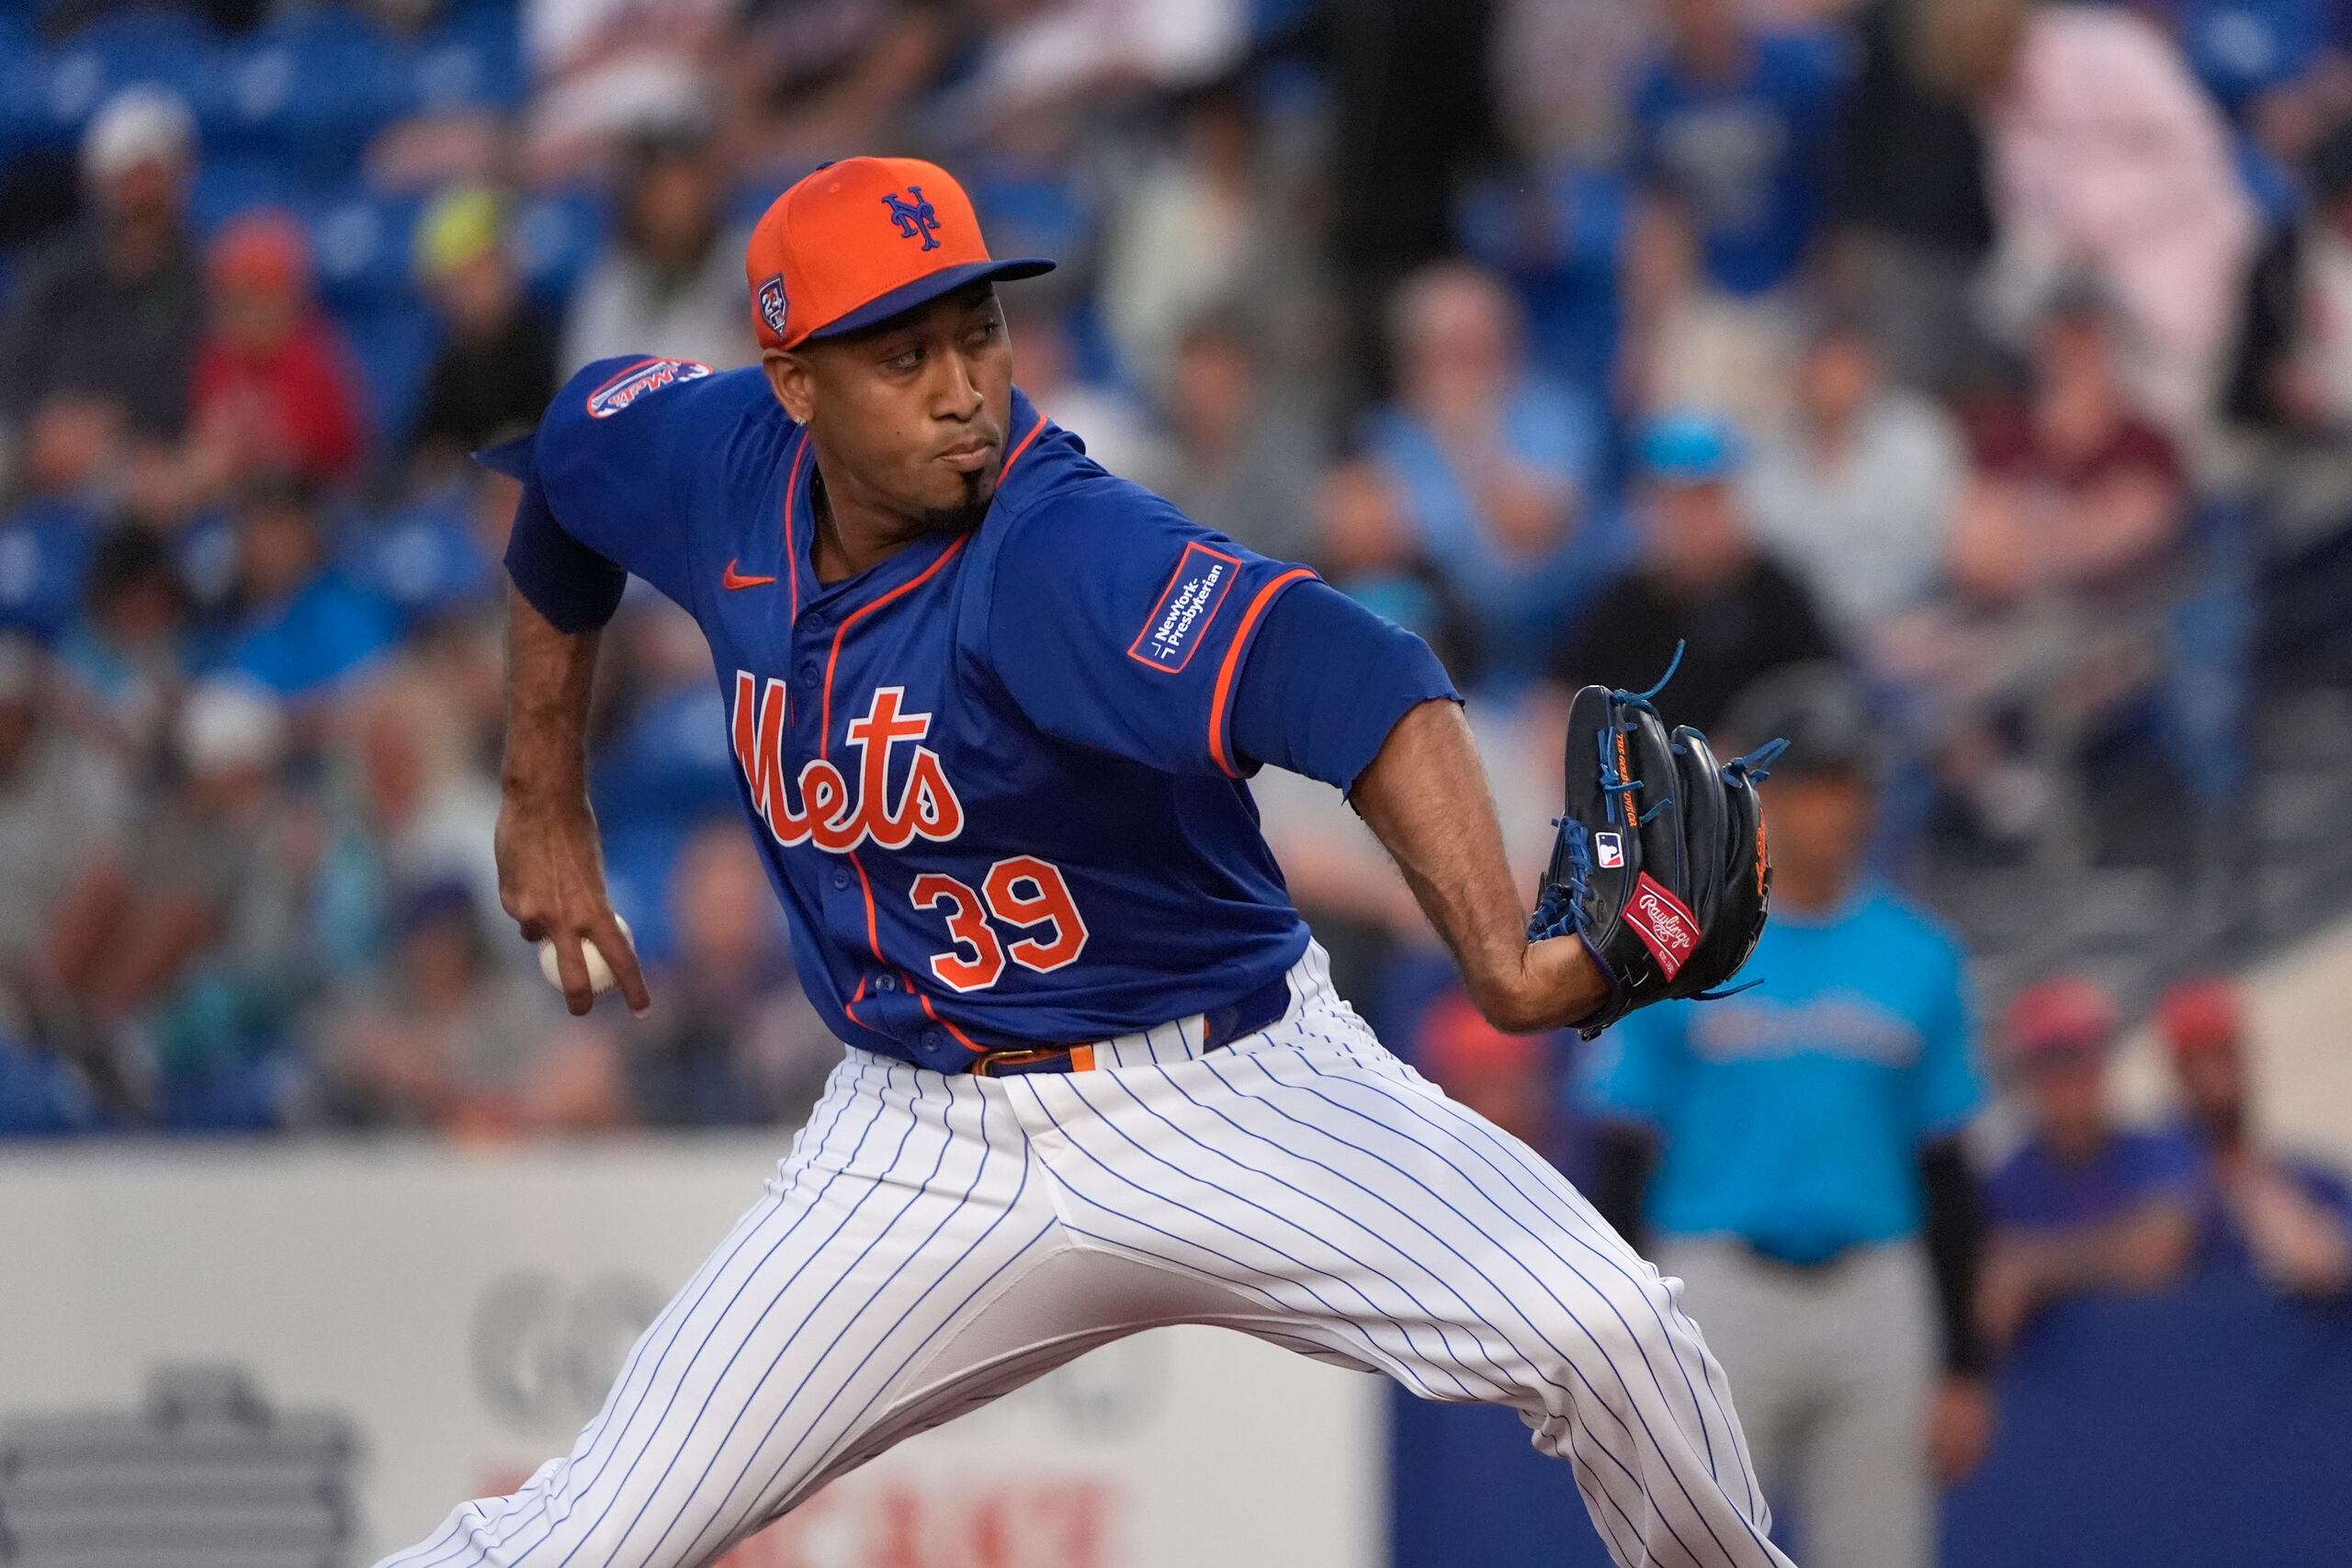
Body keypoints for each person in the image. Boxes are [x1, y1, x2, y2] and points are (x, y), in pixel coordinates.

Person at [385, 155, 1795, 1568]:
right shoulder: (714, 462)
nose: (962, 386)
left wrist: (1503, 960)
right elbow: (569, 464)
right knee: (578, 1535)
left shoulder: (1060, 549)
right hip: (919, 1143)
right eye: (904, 352)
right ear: (794, 382)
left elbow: (1367, 677)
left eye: (978, 330)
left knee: (1614, 1332)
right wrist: (538, 795)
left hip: (1233, 1090)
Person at [1584, 666, 1990, 1568]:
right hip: (1716, 1286)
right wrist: (1610, 1332)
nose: (1836, 810)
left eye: (1850, 785)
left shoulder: (1919, 954)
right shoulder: (1675, 942)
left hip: (1876, 1288)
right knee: (1691, 1552)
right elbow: (1620, 1149)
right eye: (1810, 787)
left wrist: (1963, 1363)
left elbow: (1948, 1167)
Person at [1362, 260, 1617, 676]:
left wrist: (1471, 437)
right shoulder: (1385, 440)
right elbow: (1377, 555)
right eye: (1442, 350)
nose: (1461, 367)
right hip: (1440, 653)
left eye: (1475, 348)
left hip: (1562, 648)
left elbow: (1532, 534)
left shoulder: (1555, 415)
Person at [1622, 0, 1849, 422]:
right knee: (1686, 428)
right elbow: (1660, 219)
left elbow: (1836, 197)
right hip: (1707, 296)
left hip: (1793, 290)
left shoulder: (1799, 74)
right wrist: (1645, 334)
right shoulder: (1652, 90)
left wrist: (1833, 310)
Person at [1554, 412, 1838, 731]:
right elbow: (1557, 692)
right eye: (1671, 501)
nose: (1687, 519)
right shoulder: (1623, 601)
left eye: (1703, 499)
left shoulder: (1777, 596)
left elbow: (1821, 698)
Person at [1977, 976, 2198, 1350]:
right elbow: (1993, 1311)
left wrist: (2034, 1265)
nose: (2073, 1079)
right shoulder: (2004, 1186)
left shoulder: (2161, 1148)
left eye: (2087, 1055)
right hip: (2070, 1388)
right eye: (2053, 1062)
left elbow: (2155, 1254)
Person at [1742, 313, 1967, 658]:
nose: (1836, 381)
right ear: (1802, 374)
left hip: (1921, 625)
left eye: (1848, 367)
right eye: (1824, 368)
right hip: (1805, 642)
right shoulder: (1766, 458)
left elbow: (1954, 545)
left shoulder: (1918, 437)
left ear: (1873, 370)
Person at [0, 87, 204, 448]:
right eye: (128, 177)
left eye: (153, 175)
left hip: (153, 447)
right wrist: (42, 425)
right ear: (99, 183)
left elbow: (199, 382)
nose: (141, 193)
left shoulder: (204, 277)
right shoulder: (55, 270)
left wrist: (114, 422)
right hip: (41, 438)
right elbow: (15, 365)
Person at [2156, 976, 2352, 1296]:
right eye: (2194, 1063)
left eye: (2224, 1055)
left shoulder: (2316, 1182)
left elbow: (2325, 1264)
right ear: (2177, 1075)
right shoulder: (2164, 1196)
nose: (2212, 1078)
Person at [560, 121, 754, 375]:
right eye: (661, 194)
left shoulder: (750, 264)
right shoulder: (611, 282)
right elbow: (587, 382)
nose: (674, 210)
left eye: (685, 191)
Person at [408, 187, 562, 474]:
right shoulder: (449, 361)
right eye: (459, 279)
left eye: (482, 268)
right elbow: (430, 446)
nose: (473, 289)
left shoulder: (549, 342)